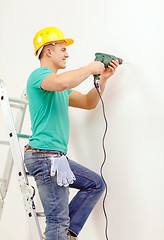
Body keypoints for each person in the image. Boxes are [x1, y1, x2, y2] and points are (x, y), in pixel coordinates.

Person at [24, 26, 119, 240]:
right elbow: (64, 81)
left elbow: (88, 102)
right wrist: (89, 68)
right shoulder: (40, 76)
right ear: (48, 51)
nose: (67, 54)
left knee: (95, 184)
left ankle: (64, 234)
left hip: (54, 157)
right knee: (57, 220)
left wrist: (103, 79)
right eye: (62, 49)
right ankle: (59, 232)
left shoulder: (59, 88)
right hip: (44, 156)